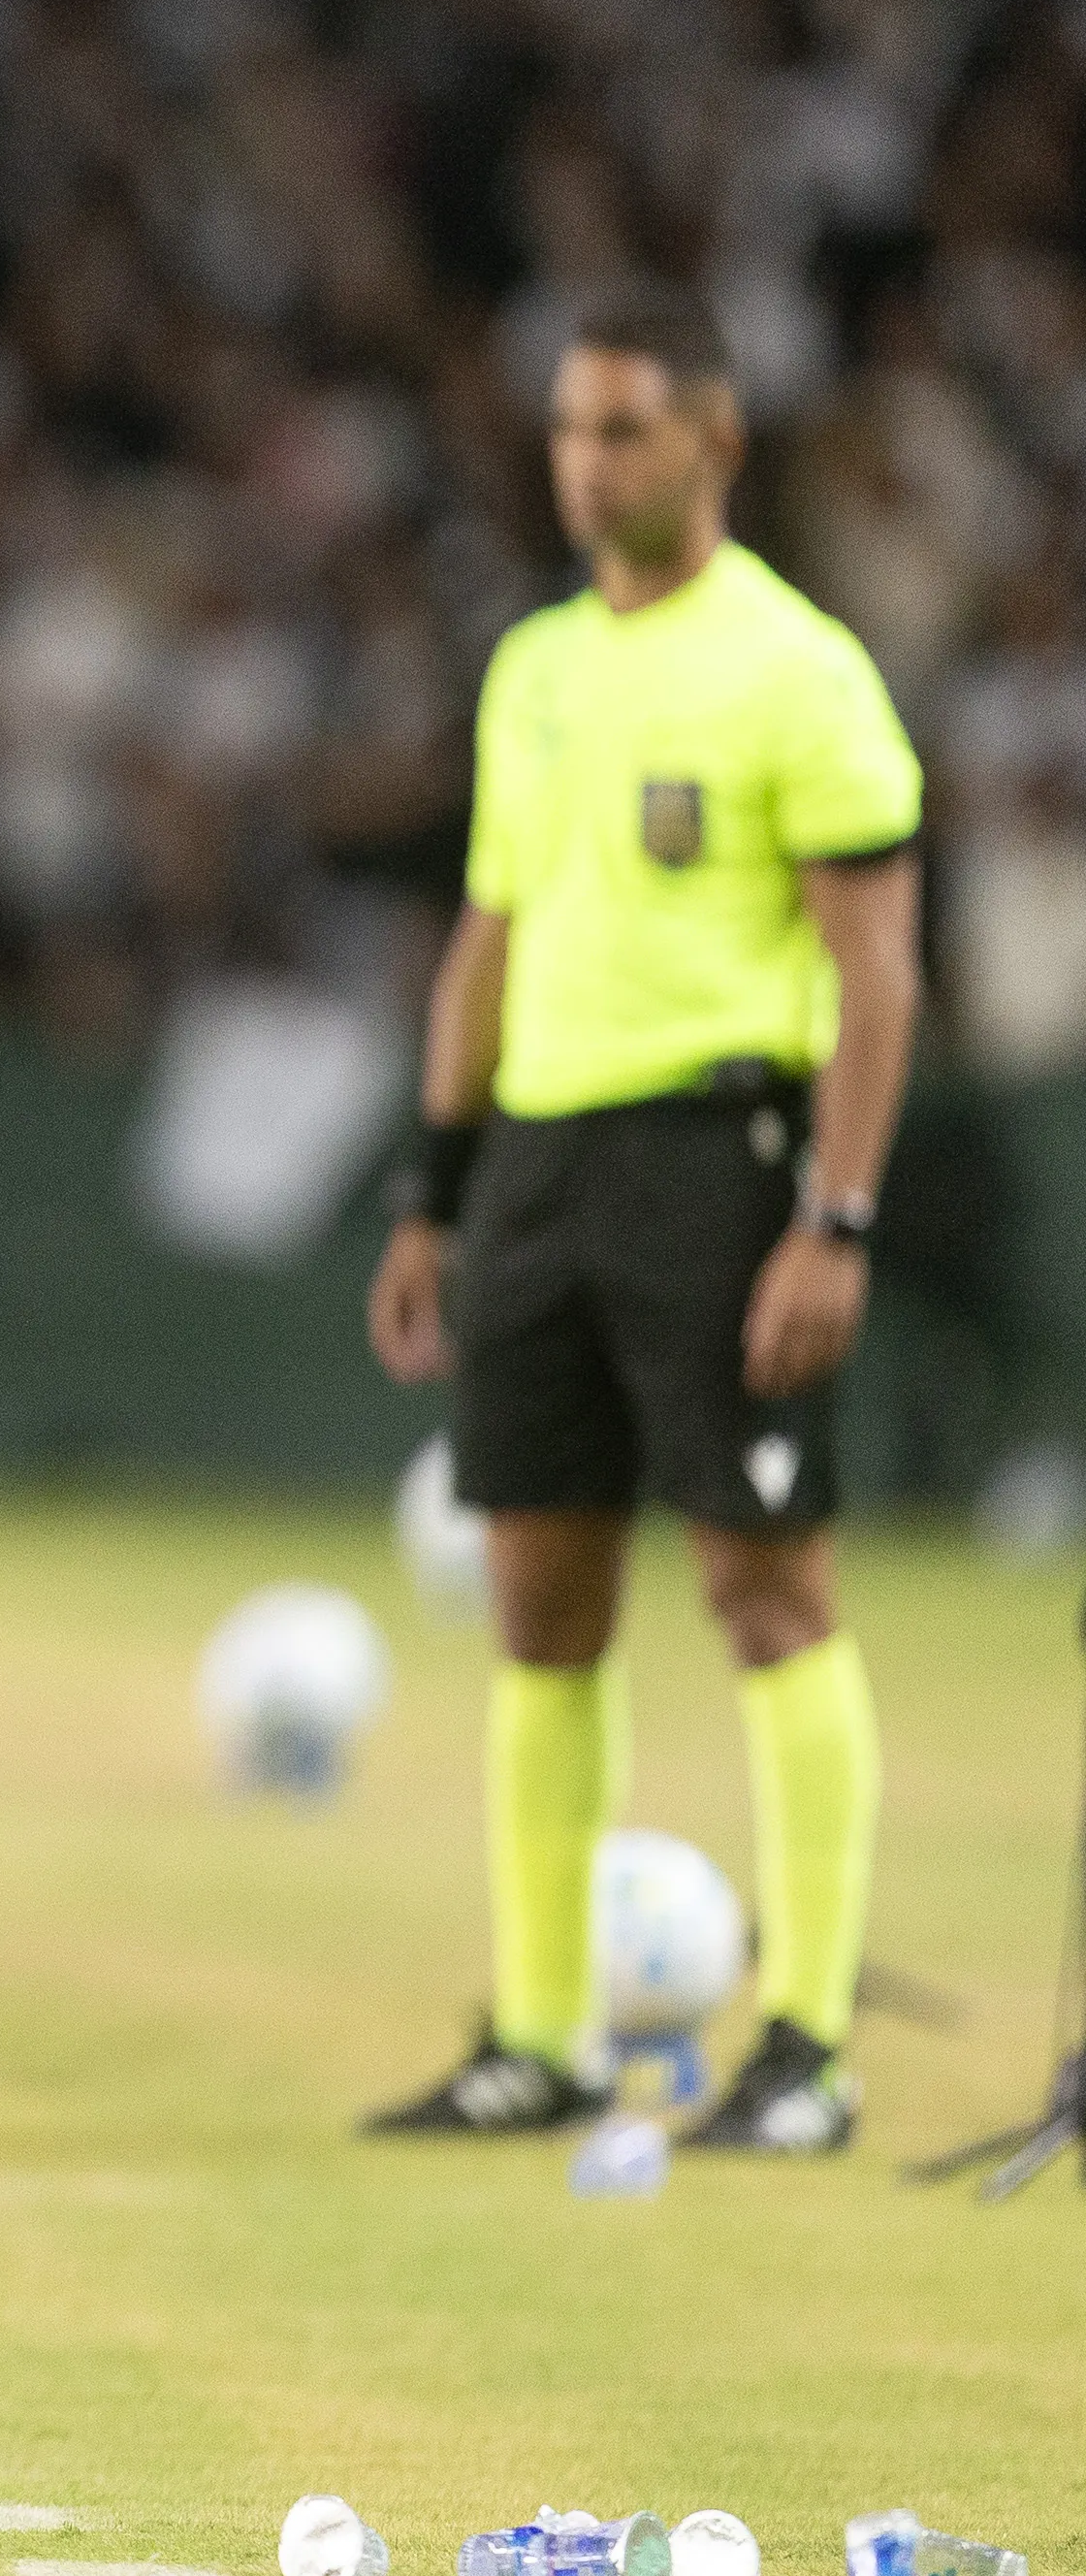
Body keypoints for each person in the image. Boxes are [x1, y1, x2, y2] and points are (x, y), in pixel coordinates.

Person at [363, 287, 921, 2155]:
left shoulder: (799, 670)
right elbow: (487, 944)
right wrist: (433, 1196)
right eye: (568, 431)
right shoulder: (536, 669)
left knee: (769, 1585)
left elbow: (881, 975)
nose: (586, 464)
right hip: (536, 1170)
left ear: (716, 441)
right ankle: (539, 2033)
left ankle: (813, 2045)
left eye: (623, 430)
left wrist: (832, 1218)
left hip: (719, 1162)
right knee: (539, 1600)